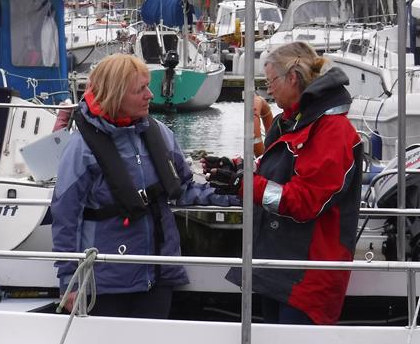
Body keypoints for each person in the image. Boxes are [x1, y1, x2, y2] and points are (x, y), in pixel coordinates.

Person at [51, 53, 239, 318]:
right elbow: (65, 216)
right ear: (116, 94)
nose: (150, 95)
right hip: (107, 281)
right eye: (140, 89)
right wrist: (69, 279)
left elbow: (184, 188)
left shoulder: (159, 134)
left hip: (158, 273)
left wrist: (237, 196)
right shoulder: (81, 148)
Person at [215, 42, 363, 325]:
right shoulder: (293, 123)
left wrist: (244, 185)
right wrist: (236, 170)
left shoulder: (333, 131)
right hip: (279, 268)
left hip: (306, 277)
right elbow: (271, 173)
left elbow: (305, 202)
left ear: (292, 79)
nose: (268, 90)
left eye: (270, 81)